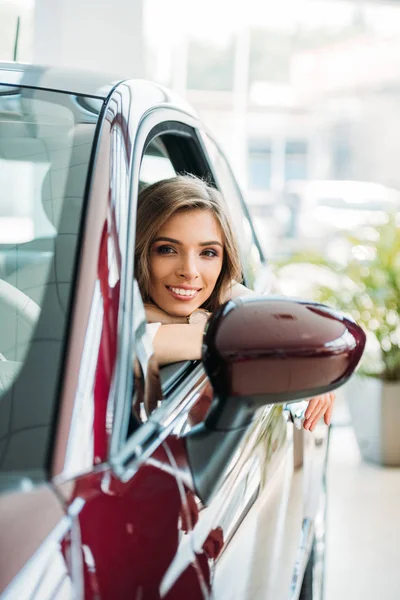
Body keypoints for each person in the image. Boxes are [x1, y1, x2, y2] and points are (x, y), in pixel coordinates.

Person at [135, 175, 335, 432]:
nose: (190, 271)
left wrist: (312, 366)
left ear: (223, 260)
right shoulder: (96, 314)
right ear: (139, 250)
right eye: (166, 249)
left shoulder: (219, 290)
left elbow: (295, 326)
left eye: (208, 253)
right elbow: (125, 349)